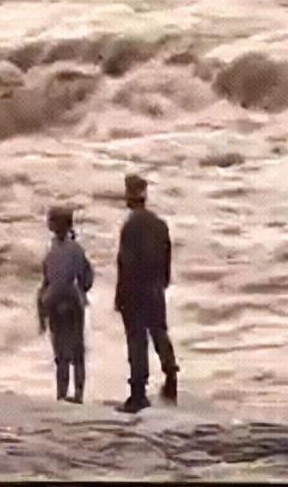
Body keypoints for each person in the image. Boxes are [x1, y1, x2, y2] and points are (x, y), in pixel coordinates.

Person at [115, 174, 178, 413]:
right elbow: (167, 258)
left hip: (135, 289)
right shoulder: (159, 224)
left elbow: (126, 263)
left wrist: (121, 294)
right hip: (155, 288)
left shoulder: (131, 226)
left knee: (137, 340)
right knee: (159, 332)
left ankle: (138, 394)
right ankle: (171, 376)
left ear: (129, 196)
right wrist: (162, 283)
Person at [38, 206, 94, 404]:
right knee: (76, 351)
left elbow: (47, 281)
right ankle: (77, 394)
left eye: (52, 220)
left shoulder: (53, 250)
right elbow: (87, 277)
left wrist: (42, 310)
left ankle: (63, 393)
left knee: (62, 353)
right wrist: (82, 291)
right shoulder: (76, 249)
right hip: (73, 302)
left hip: (57, 303)